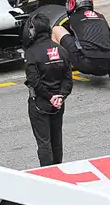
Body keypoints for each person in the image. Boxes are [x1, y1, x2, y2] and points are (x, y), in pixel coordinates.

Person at [24, 12, 73, 167]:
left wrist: (48, 96)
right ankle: (58, 169)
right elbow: (68, 79)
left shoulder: (31, 53)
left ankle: (47, 174)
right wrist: (61, 96)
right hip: (59, 103)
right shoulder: (61, 50)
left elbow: (34, 80)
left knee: (44, 142)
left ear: (33, 31)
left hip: (40, 103)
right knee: (56, 139)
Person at [51, 0, 110, 76]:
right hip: (108, 64)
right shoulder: (101, 16)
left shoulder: (73, 18)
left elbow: (65, 38)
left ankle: (55, 67)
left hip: (86, 64)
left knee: (56, 29)